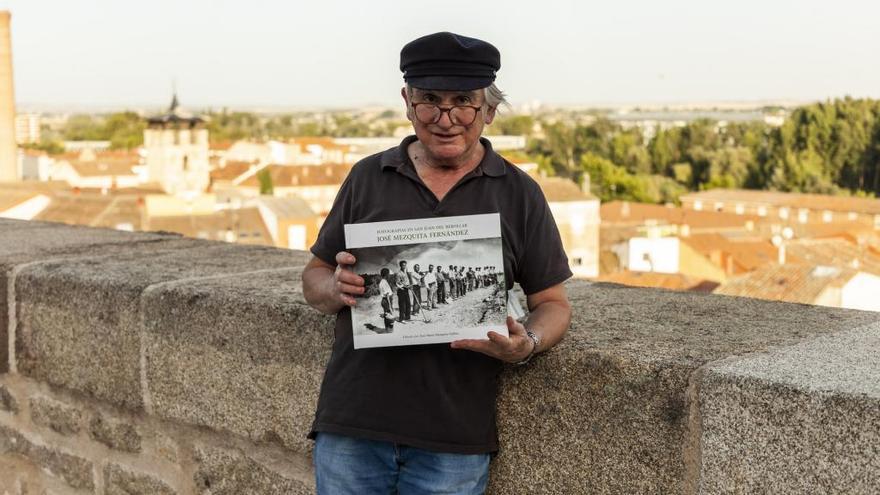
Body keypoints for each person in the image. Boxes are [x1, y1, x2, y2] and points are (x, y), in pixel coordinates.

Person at [301, 31, 572, 494]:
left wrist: (526, 342)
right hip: (353, 424)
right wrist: (334, 289)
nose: (446, 119)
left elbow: (553, 303)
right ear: (407, 102)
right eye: (430, 100)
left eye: (463, 101)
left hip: (453, 438)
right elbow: (314, 276)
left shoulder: (519, 192)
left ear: (488, 109)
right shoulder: (368, 176)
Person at [378, 268, 395, 333]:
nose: (389, 275)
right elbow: (387, 295)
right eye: (388, 274)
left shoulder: (383, 281)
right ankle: (389, 330)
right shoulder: (384, 282)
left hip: (385, 300)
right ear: (386, 274)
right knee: (389, 316)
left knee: (387, 316)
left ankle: (387, 329)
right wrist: (390, 306)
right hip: (387, 300)